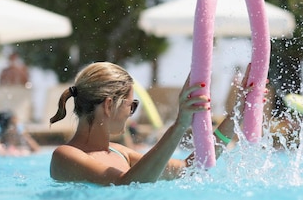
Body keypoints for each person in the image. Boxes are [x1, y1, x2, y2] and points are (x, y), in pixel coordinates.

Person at [48, 62, 254, 185]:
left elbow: (188, 168)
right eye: (131, 105)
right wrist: (180, 124)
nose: (131, 114)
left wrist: (237, 114)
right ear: (109, 106)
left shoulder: (122, 153)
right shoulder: (65, 156)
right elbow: (126, 184)